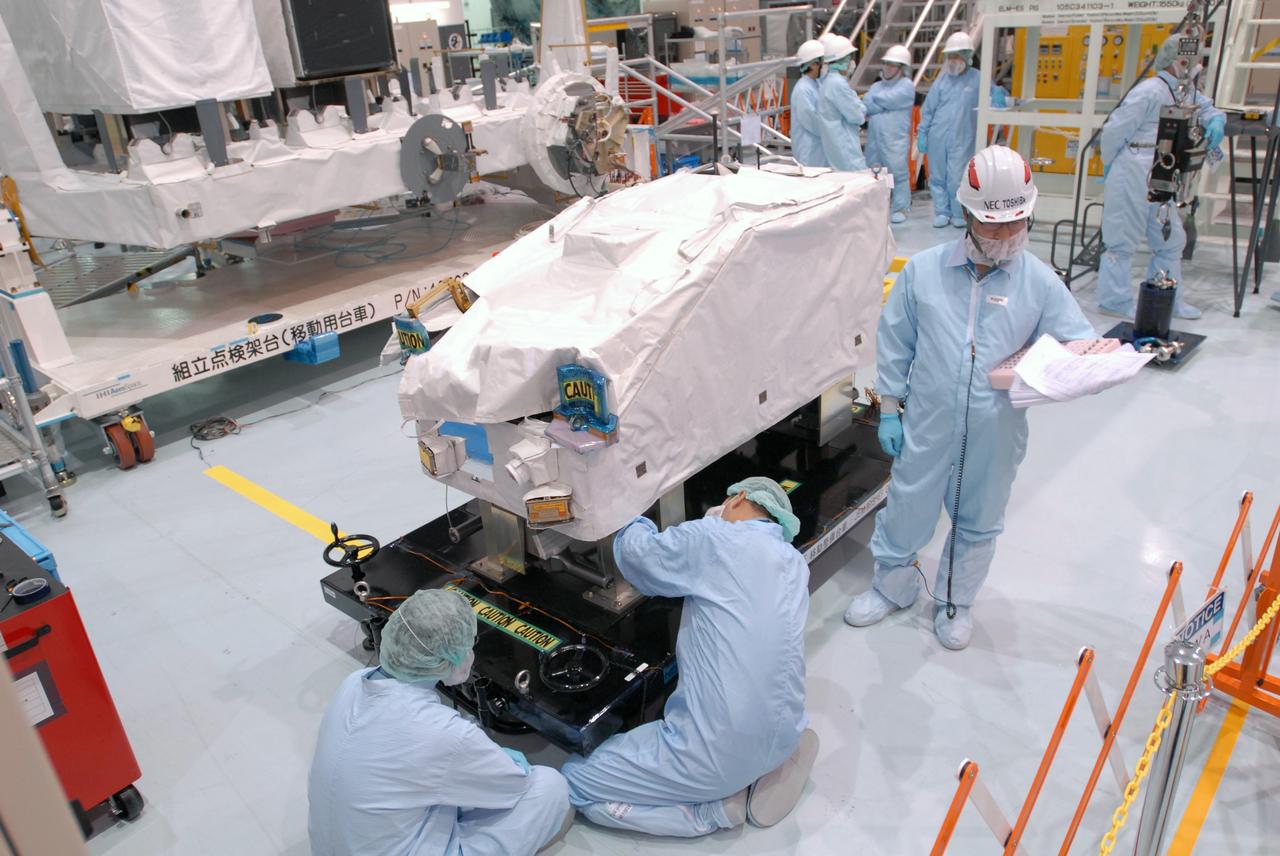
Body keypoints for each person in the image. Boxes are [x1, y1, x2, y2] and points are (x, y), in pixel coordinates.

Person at [843, 146, 1095, 650]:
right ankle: (892, 589)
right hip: (928, 421)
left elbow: (1078, 343)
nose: (1006, 235)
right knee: (908, 505)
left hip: (996, 426)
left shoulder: (1040, 283)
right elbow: (896, 343)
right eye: (993, 225)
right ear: (967, 215)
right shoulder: (924, 273)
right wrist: (889, 409)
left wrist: (1076, 369)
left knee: (979, 518)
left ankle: (956, 603)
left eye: (1016, 223)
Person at [562, 477, 819, 837]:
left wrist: (627, 511)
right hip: (786, 732)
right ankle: (765, 769)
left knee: (573, 780)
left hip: (711, 755)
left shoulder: (715, 537)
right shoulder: (794, 564)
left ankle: (710, 811)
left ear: (738, 498)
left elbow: (638, 557)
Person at [308, 589, 572, 856]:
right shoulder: (443, 733)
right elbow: (512, 785)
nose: (470, 652)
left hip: (336, 845)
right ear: (447, 656)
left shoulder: (354, 682)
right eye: (468, 644)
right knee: (549, 786)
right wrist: (508, 762)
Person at [1097, 33, 1225, 320]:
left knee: (1170, 239)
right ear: (1176, 60)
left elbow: (1206, 108)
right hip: (1134, 165)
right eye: (1189, 59)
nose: (1194, 65)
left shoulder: (1184, 92)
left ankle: (1167, 298)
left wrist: (1216, 120)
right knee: (1122, 238)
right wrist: (1109, 162)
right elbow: (1115, 130)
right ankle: (1114, 301)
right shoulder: (1149, 91)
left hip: (1165, 167)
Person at [917, 31, 982, 229]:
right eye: (950, 56)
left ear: (968, 56)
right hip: (937, 136)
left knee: (957, 178)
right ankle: (942, 212)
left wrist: (999, 98)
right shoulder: (942, 80)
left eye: (957, 56)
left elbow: (992, 97)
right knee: (937, 177)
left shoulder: (978, 79)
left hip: (963, 138)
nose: (953, 60)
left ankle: (958, 212)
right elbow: (928, 109)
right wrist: (922, 133)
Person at [863, 45, 916, 223]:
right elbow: (867, 106)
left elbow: (889, 100)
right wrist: (882, 104)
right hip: (874, 141)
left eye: (892, 65)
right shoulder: (876, 86)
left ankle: (901, 207)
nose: (887, 68)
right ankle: (878, 207)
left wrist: (876, 101)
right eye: (886, 63)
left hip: (894, 140)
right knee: (875, 174)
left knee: (897, 174)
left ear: (902, 68)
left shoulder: (906, 86)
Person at [818, 35, 868, 171]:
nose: (852, 62)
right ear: (842, 61)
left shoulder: (828, 82)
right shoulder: (838, 84)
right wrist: (861, 106)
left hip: (836, 145)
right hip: (846, 147)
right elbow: (857, 116)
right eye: (849, 58)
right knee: (857, 179)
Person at [791, 40, 828, 167]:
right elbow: (812, 121)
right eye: (822, 62)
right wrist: (833, 129)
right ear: (813, 64)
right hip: (809, 153)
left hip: (818, 151)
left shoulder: (815, 84)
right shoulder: (803, 89)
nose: (824, 66)